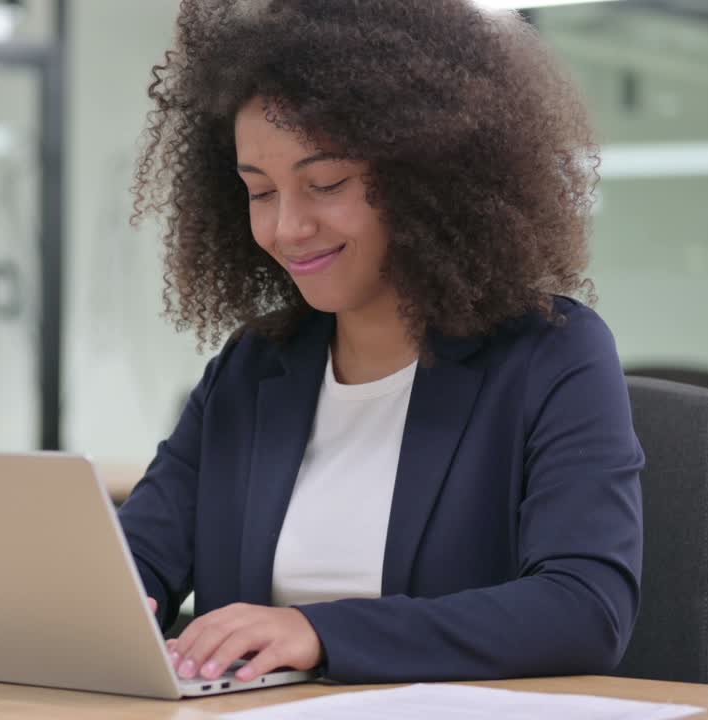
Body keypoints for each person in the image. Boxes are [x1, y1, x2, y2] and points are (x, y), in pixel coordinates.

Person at [118, 0, 645, 686]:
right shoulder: (251, 371)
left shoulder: (551, 354)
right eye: (260, 192)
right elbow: (134, 566)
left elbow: (584, 611)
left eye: (326, 184)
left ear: (424, 174)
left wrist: (319, 631)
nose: (288, 227)